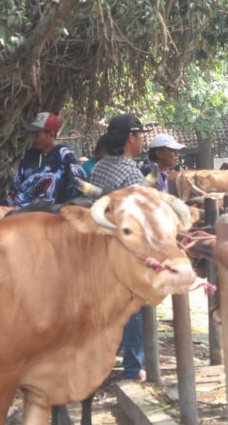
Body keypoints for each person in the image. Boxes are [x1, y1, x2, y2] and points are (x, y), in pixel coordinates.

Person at [90, 113, 150, 382]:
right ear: (131, 137)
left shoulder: (98, 168)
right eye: (140, 135)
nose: (142, 140)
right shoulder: (131, 173)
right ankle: (133, 368)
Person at [6, 112, 86, 208]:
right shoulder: (29, 156)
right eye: (33, 134)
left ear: (51, 134)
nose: (33, 138)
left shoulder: (64, 156)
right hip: (21, 215)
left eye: (37, 135)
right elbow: (16, 186)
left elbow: (81, 186)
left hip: (50, 217)